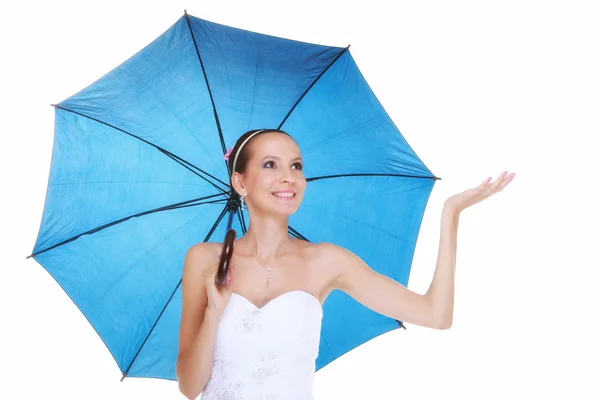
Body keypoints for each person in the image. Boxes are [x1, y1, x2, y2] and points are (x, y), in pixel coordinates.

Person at [175, 129, 515, 399]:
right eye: (270, 165)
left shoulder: (326, 261)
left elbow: (435, 315)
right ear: (240, 182)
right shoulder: (204, 260)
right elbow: (190, 387)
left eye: (296, 166)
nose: (288, 177)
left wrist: (450, 214)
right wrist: (214, 311)